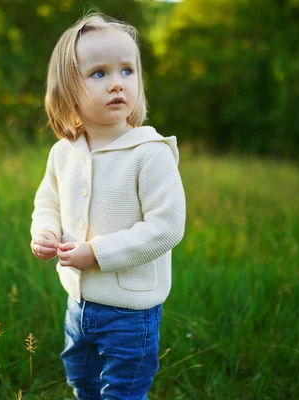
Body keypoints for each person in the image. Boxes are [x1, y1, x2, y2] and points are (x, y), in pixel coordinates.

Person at [30, 11, 186, 400]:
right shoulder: (64, 152)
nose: (117, 83)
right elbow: (47, 200)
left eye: (127, 71)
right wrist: (45, 232)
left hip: (130, 312)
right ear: (67, 90)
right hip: (78, 305)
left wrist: (96, 253)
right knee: (81, 381)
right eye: (99, 73)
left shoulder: (149, 154)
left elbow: (166, 226)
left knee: (122, 391)